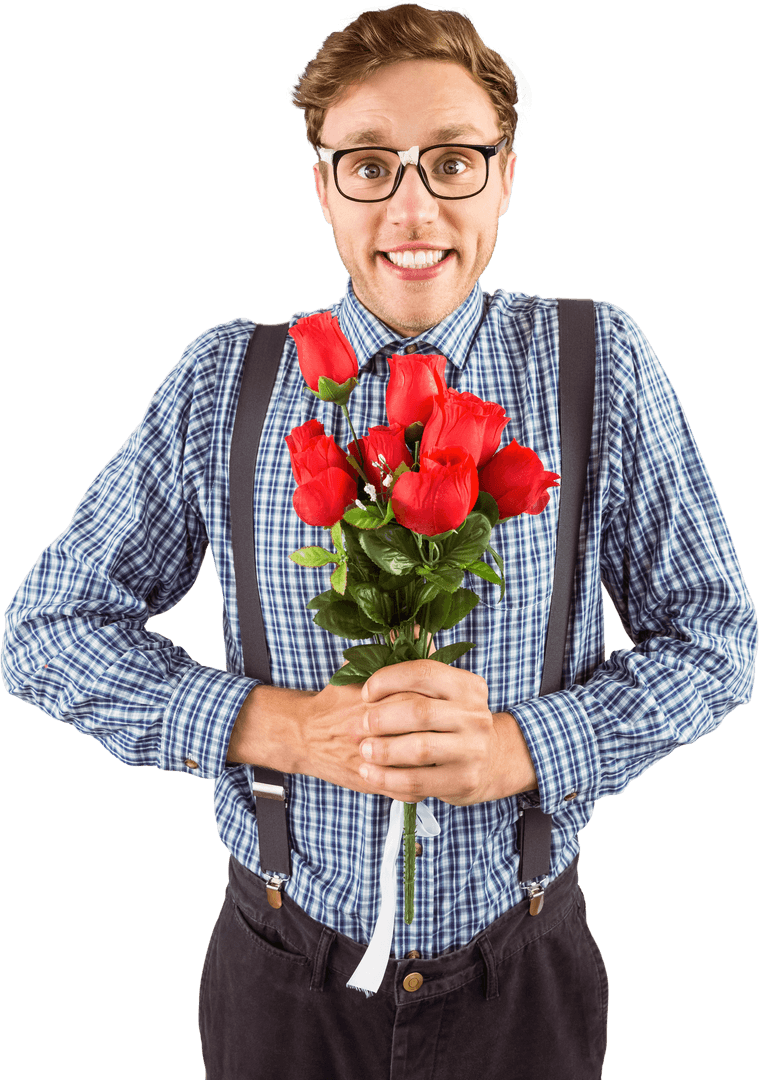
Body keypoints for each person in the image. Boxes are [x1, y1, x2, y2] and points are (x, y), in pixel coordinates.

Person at [2, 5, 756, 1078]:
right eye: (369, 165)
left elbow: (717, 638)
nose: (412, 207)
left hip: (523, 966)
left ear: (504, 177)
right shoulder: (227, 380)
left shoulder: (599, 360)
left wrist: (527, 748)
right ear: (324, 187)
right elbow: (46, 630)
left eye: (452, 161)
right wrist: (276, 728)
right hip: (281, 966)